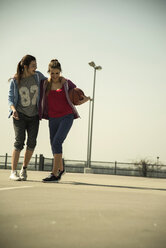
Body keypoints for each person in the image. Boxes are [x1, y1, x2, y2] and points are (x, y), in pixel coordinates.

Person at [40, 59, 90, 182]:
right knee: (53, 144)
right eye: (52, 73)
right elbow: (35, 76)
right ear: (49, 72)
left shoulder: (66, 83)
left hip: (66, 116)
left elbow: (77, 95)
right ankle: (61, 169)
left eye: (57, 73)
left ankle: (54, 174)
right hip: (52, 118)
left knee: (57, 142)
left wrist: (85, 99)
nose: (55, 76)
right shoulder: (45, 84)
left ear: (60, 72)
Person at [8, 54, 47, 181]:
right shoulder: (15, 80)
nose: (36, 68)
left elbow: (50, 81)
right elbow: (10, 99)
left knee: (32, 143)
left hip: (34, 116)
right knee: (19, 142)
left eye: (36, 65)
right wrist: (13, 110)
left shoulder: (37, 76)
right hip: (20, 115)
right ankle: (13, 172)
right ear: (25, 67)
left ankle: (24, 169)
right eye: (33, 66)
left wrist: (63, 81)